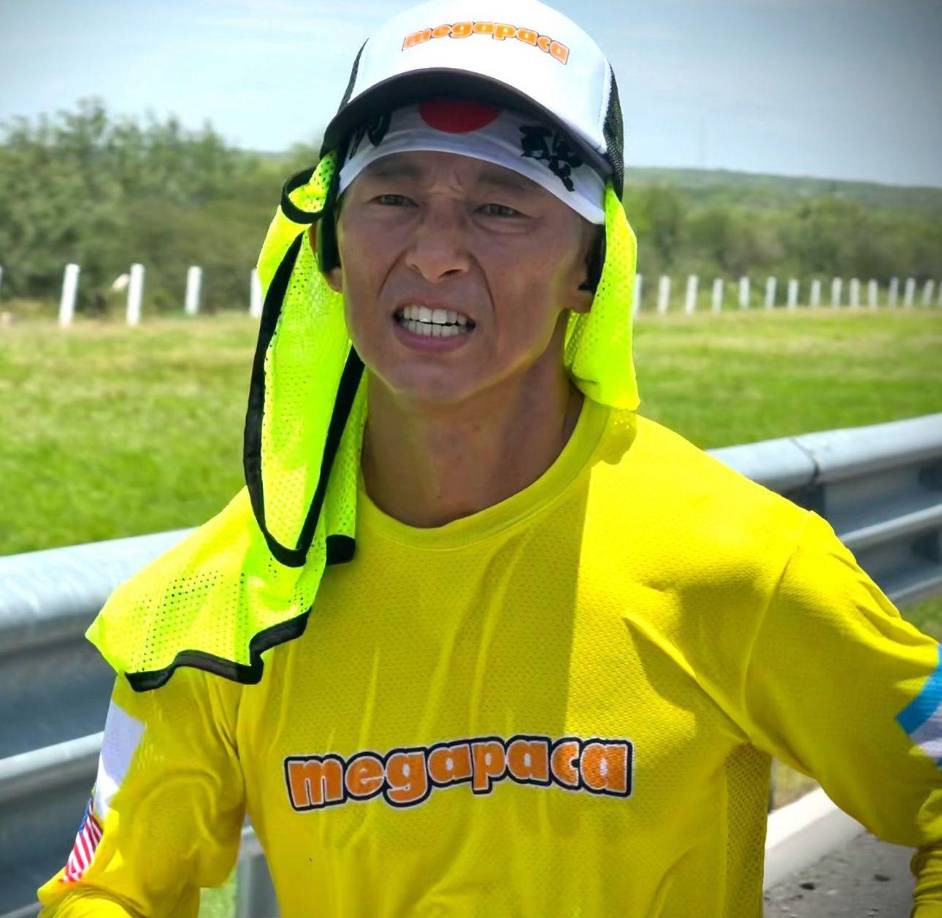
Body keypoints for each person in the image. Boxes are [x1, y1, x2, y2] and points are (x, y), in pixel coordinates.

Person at [38, 0, 941, 915]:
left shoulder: (740, 562)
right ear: (329, 246)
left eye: (501, 206)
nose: (434, 254)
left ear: (589, 268)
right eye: (392, 196)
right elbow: (111, 891)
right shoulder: (224, 600)